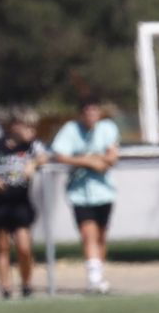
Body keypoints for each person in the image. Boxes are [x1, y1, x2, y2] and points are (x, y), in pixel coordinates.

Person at [50, 98, 120, 294]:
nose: (91, 116)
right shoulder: (70, 130)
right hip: (80, 192)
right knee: (88, 234)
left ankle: (99, 276)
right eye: (87, 112)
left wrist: (99, 160)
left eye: (94, 112)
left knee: (101, 236)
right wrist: (89, 162)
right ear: (81, 114)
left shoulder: (107, 128)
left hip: (104, 192)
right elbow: (60, 155)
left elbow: (111, 157)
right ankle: (93, 280)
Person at [0, 107, 48, 300]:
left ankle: (27, 284)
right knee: (2, 247)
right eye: (27, 127)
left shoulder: (32, 146)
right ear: (14, 127)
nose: (31, 132)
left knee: (24, 247)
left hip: (20, 202)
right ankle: (5, 288)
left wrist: (33, 164)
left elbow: (45, 155)